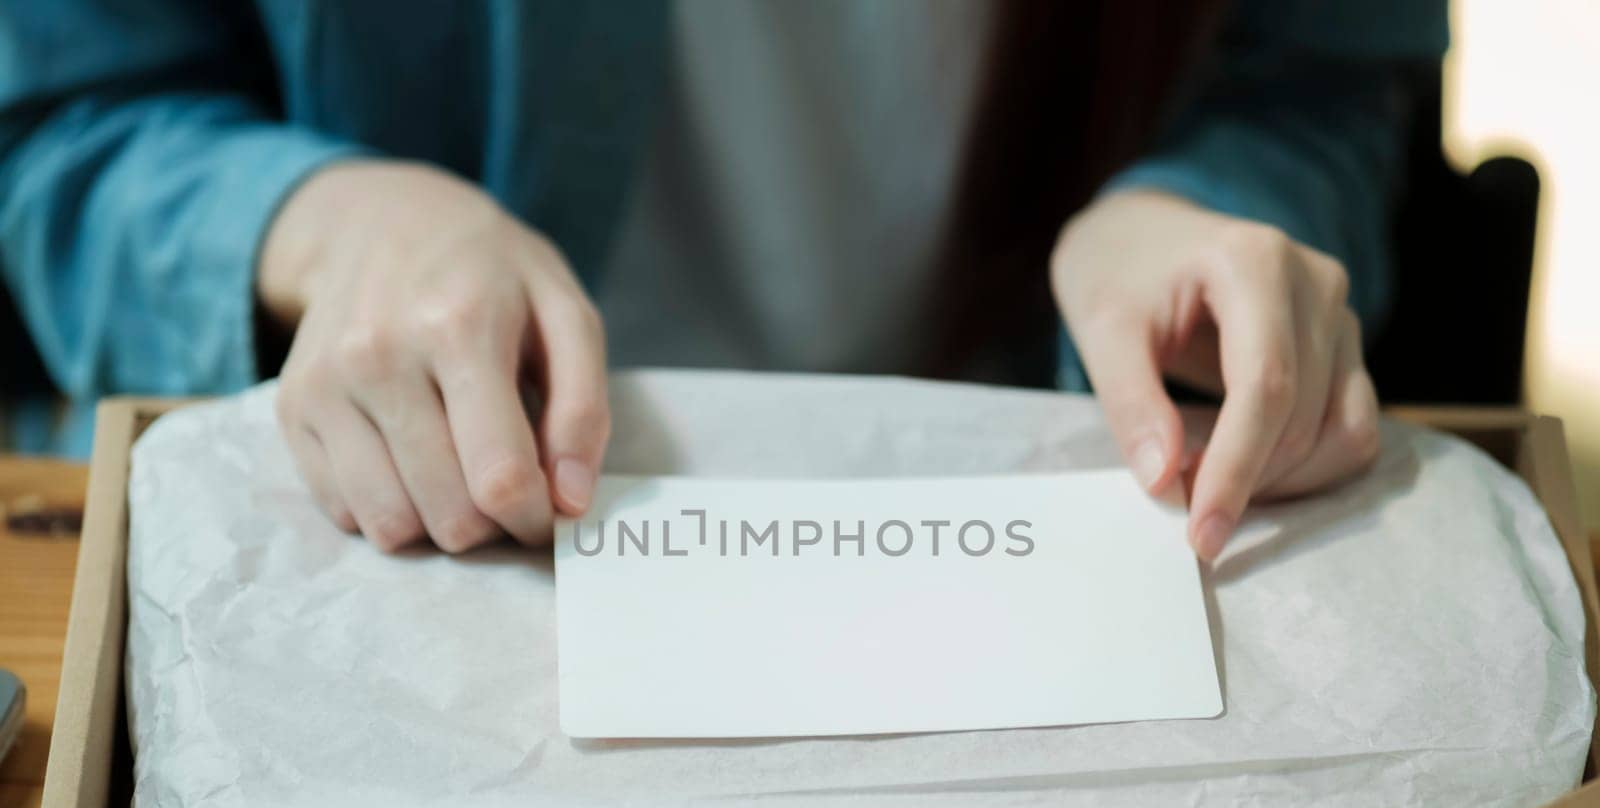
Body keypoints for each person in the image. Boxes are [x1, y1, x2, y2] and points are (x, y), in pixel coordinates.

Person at [0, 1, 1445, 560]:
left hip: (1044, 504)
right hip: (429, 531)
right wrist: (329, 224)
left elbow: (1324, 80)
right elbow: (64, 115)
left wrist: (1193, 203)